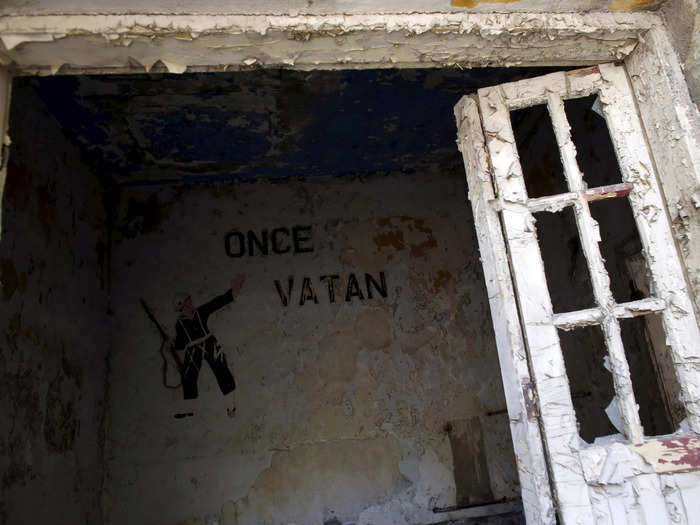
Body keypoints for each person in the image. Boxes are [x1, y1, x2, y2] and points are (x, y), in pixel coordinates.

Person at [163, 275, 245, 417]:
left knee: (222, 371)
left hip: (209, 344)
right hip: (193, 349)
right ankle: (189, 410)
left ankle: (231, 407)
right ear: (181, 307)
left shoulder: (200, 312)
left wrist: (232, 292)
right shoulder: (180, 324)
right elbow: (181, 344)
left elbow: (216, 303)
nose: (190, 305)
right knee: (188, 376)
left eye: (189, 302)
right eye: (186, 304)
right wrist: (170, 344)